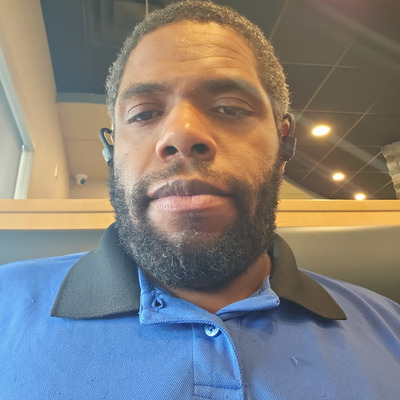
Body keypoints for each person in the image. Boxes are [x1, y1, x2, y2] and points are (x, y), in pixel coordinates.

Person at [1, 1, 399, 399]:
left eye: (230, 108)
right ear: (111, 151)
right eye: (143, 114)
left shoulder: (390, 330)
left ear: (283, 143)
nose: (181, 134)